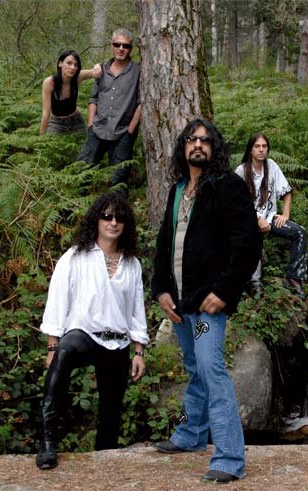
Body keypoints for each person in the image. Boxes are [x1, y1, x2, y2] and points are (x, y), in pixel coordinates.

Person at [151, 118, 261, 484]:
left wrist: (225, 292)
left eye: (205, 140)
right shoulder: (177, 190)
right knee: (195, 369)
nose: (197, 144)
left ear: (214, 148)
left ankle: (229, 457)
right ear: (183, 147)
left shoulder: (228, 187)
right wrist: (161, 289)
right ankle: (189, 433)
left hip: (208, 303)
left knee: (210, 368)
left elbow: (248, 245)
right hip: (180, 302)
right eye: (191, 139)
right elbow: (164, 244)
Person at [36, 193, 148, 470]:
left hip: (118, 342)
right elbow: (58, 300)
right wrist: (52, 346)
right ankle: (48, 443)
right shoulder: (75, 256)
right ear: (96, 220)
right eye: (107, 216)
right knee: (65, 352)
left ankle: (105, 456)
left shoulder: (132, 264)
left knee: (112, 407)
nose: (113, 222)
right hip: (84, 334)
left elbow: (136, 310)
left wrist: (138, 351)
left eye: (119, 218)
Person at [234, 133, 307, 296]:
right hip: (247, 220)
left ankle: (293, 278)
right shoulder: (241, 171)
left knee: (299, 232)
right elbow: (237, 203)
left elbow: (287, 192)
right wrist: (257, 219)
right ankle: (255, 283)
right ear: (251, 150)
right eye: (257, 146)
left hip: (269, 216)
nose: (261, 150)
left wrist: (285, 214)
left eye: (264, 146)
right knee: (252, 236)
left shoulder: (271, 166)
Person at [77, 28, 142, 189]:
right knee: (80, 175)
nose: (121, 48)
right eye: (117, 44)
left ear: (130, 48)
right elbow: (93, 99)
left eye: (125, 45)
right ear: (111, 46)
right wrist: (90, 125)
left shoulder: (138, 72)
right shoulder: (101, 70)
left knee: (118, 183)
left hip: (122, 134)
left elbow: (141, 103)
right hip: (97, 130)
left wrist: (130, 132)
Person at [40, 51, 101, 135]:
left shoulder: (78, 77)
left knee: (84, 141)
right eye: (69, 63)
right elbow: (45, 113)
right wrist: (41, 137)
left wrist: (97, 65)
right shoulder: (50, 83)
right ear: (60, 63)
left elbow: (95, 71)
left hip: (76, 120)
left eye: (76, 65)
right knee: (51, 142)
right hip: (57, 123)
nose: (72, 67)